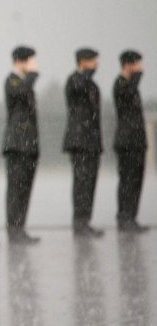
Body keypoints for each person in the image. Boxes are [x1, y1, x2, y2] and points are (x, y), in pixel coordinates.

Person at [63, 47, 104, 238]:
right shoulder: (74, 80)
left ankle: (85, 220)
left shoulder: (92, 85)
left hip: (92, 141)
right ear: (83, 61)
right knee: (81, 182)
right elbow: (77, 87)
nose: (96, 64)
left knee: (90, 182)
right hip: (79, 141)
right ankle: (79, 222)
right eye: (93, 60)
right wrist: (86, 72)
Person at [3, 46, 41, 244]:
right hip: (17, 145)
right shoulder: (12, 80)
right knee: (16, 189)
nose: (35, 65)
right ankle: (14, 229)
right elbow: (19, 92)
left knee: (25, 189)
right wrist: (32, 74)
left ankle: (20, 228)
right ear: (20, 61)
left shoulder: (25, 83)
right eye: (32, 61)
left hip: (28, 145)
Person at [113, 49, 149, 233]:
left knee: (136, 180)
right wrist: (137, 76)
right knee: (127, 180)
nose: (140, 68)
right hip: (127, 141)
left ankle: (131, 217)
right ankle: (124, 217)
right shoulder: (120, 83)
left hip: (136, 141)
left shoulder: (130, 85)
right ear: (128, 64)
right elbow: (127, 95)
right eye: (137, 63)